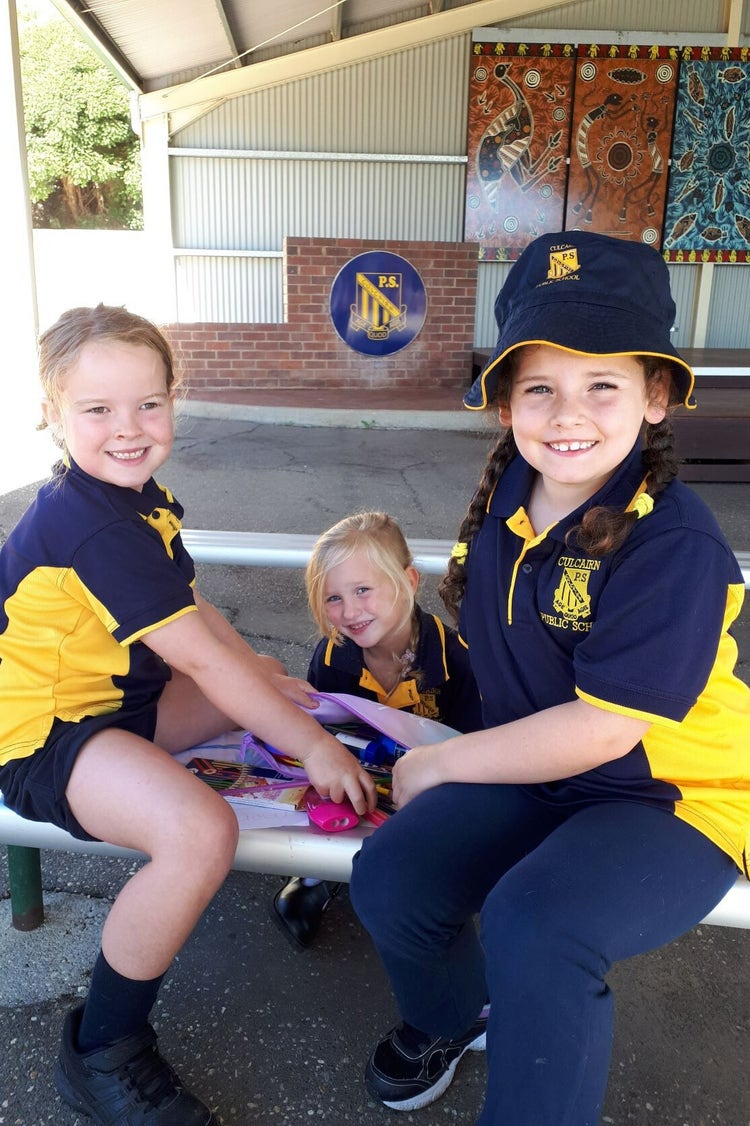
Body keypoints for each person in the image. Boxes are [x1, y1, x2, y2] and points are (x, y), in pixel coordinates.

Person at [349, 231, 750, 1124]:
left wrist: (442, 762)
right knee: (390, 875)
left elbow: (606, 729)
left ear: (655, 396)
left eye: (602, 385)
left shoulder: (674, 542)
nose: (569, 414)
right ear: (505, 405)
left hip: (668, 798)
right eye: (540, 388)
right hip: (541, 772)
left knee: (538, 926)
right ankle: (455, 1017)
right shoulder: (507, 503)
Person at [0, 304, 376, 1126]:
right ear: (53, 413)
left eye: (148, 403)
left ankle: (338, 814)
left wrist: (269, 689)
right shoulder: (90, 525)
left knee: (265, 679)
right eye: (97, 409)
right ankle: (103, 1049)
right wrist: (310, 746)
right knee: (201, 832)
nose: (127, 428)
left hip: (119, 705)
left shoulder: (136, 499)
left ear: (175, 398)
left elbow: (198, 616)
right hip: (47, 737)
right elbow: (200, 660)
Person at [272, 511, 482, 948]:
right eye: (333, 598)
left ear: (408, 580)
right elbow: (325, 728)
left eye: (362, 590)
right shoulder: (332, 655)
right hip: (357, 774)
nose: (349, 612)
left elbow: (474, 748)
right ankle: (315, 876)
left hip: (434, 786)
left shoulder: (458, 659)